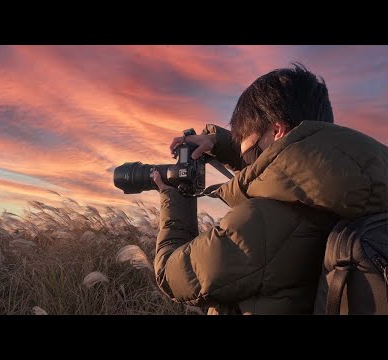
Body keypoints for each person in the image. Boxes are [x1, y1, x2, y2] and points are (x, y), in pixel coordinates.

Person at [152, 63, 388, 315]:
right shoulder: (363, 189)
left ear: (277, 130)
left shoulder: (262, 220)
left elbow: (171, 276)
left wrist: (176, 195)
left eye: (249, 152)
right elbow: (290, 166)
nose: (248, 163)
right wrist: (219, 143)